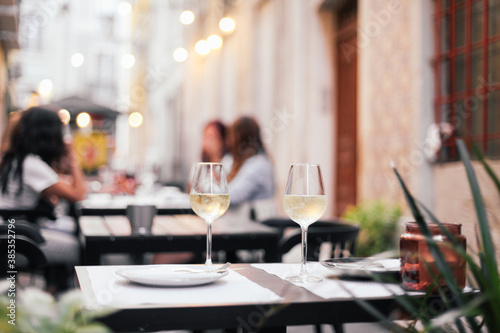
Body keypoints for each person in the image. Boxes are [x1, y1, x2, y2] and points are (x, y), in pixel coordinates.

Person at [0, 107, 87, 289]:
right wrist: (72, 156)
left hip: (10, 233)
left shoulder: (18, 159)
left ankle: (53, 291)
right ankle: (71, 304)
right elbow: (78, 194)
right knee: (82, 247)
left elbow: (59, 186)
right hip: (16, 240)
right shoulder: (31, 163)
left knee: (74, 232)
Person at [226, 116, 276, 216]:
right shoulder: (246, 162)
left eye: (232, 136)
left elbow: (232, 196)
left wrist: (209, 190)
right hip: (247, 225)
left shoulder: (258, 165)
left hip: (258, 226)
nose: (229, 142)